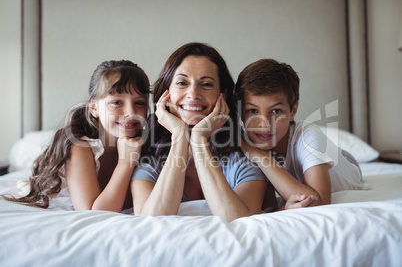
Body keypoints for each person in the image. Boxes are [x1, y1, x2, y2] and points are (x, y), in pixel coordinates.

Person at [130, 42, 275, 222]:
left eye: (206, 84)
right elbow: (151, 221)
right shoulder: (149, 159)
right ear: (165, 93)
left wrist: (199, 141)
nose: (193, 93)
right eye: (182, 83)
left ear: (222, 94)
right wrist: (179, 136)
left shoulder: (243, 159)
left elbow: (239, 221)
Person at [3, 60, 150, 212]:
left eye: (139, 103)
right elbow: (94, 213)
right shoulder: (80, 147)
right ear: (93, 107)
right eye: (117, 102)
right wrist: (126, 163)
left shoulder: (146, 144)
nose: (131, 112)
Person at [235, 58, 364, 209]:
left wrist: (262, 158)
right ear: (241, 112)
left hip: (346, 164)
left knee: (319, 144)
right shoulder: (249, 144)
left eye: (276, 111)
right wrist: (284, 209)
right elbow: (267, 209)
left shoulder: (307, 136)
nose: (264, 124)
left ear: (293, 110)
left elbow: (320, 201)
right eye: (252, 111)